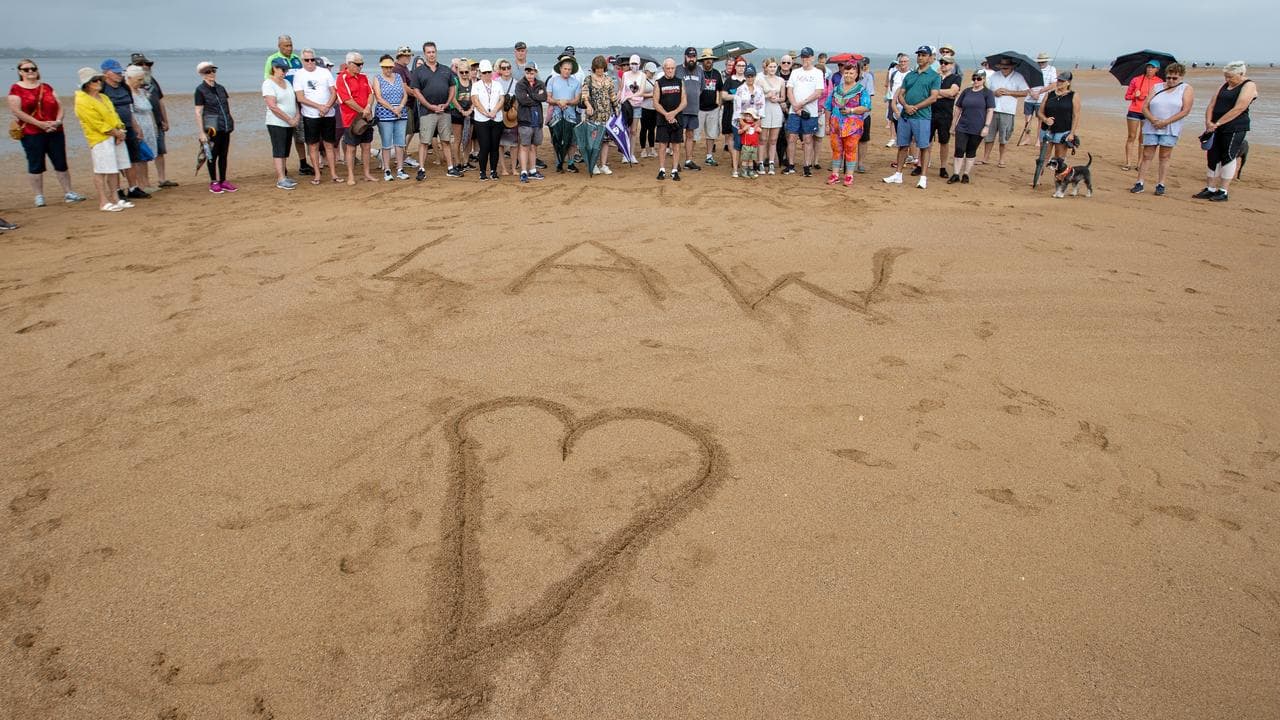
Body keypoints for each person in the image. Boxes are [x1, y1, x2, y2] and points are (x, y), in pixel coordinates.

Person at [8, 59, 86, 207]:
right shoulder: (16, 89)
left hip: (55, 130)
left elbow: (60, 106)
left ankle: (68, 192)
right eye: (26, 69)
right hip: (32, 132)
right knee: (35, 164)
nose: (30, 71)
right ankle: (39, 196)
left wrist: (58, 121)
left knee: (60, 162)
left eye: (33, 68)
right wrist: (40, 124)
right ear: (20, 72)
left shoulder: (46, 87)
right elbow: (17, 111)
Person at [1195, 61, 1257, 202]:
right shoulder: (1224, 85)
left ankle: (1223, 190)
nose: (1227, 79)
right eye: (1226, 76)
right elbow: (1212, 104)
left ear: (1241, 74)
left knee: (1228, 155)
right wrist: (1208, 122)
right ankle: (1210, 188)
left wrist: (1218, 123)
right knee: (1212, 155)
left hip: (1234, 126)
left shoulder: (1249, 85)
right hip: (1215, 126)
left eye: (1230, 77)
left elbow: (1239, 107)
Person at [73, 67, 133, 211]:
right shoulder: (82, 100)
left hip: (115, 136)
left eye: (100, 79)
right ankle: (103, 201)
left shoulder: (104, 97)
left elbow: (114, 115)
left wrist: (121, 130)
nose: (99, 82)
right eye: (95, 80)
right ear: (87, 84)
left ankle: (115, 198)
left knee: (114, 168)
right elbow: (96, 123)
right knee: (101, 170)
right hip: (100, 139)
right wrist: (116, 133)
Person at [883, 46, 940, 189]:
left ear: (930, 58)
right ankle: (898, 174)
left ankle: (923, 177)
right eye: (919, 55)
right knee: (902, 145)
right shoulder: (910, 75)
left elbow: (933, 97)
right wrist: (906, 106)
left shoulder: (934, 76)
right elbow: (901, 93)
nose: (920, 57)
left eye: (924, 55)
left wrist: (915, 107)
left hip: (922, 116)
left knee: (923, 146)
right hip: (906, 115)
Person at [1134, 63, 1193, 196]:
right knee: (1147, 154)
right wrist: (1153, 120)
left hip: (1170, 127)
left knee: (1165, 156)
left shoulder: (1186, 88)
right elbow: (1145, 107)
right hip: (1152, 125)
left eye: (1174, 78)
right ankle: (1139, 182)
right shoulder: (1157, 87)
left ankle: (1161, 184)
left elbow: (1185, 110)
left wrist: (1166, 122)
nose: (1171, 80)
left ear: (1181, 77)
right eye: (1168, 77)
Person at [409, 42, 459, 180]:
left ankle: (450, 168)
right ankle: (421, 169)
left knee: (446, 140)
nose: (431, 54)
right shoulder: (418, 71)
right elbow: (416, 91)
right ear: (425, 54)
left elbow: (452, 87)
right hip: (427, 112)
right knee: (424, 141)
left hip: (444, 111)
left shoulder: (445, 70)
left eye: (433, 52)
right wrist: (430, 106)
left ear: (436, 52)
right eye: (428, 52)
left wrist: (447, 103)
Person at [100, 59, 148, 200]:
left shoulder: (124, 87)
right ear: (106, 73)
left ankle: (133, 188)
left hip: (128, 127)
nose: (119, 75)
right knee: (115, 161)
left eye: (119, 72)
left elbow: (129, 109)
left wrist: (136, 126)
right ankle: (117, 190)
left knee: (133, 158)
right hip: (113, 130)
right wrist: (113, 131)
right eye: (115, 72)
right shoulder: (102, 88)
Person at [294, 48, 342, 184]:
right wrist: (319, 107)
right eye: (307, 60)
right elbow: (300, 97)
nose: (310, 62)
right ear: (302, 60)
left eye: (312, 59)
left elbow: (334, 92)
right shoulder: (299, 75)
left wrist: (327, 106)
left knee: (329, 145)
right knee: (313, 145)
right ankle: (317, 175)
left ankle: (334, 174)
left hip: (328, 114)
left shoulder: (324, 72)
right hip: (310, 115)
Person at [264, 35, 309, 175]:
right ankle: (282, 169)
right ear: (279, 46)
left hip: (297, 102)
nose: (289, 48)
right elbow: (268, 78)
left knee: (300, 137)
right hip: (281, 101)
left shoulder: (296, 59)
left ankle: (303, 164)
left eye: (290, 45)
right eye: (286, 46)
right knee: (282, 139)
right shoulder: (272, 59)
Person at [131, 52, 176, 188]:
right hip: (141, 124)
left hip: (157, 122)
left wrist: (165, 119)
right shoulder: (131, 83)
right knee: (142, 154)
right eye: (140, 64)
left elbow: (160, 101)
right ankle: (144, 184)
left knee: (160, 151)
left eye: (147, 64)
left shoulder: (152, 80)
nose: (145, 66)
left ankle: (162, 179)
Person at [824, 61, 871, 187]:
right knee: (836, 149)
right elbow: (828, 106)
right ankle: (835, 174)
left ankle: (849, 175)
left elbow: (866, 107)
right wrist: (827, 124)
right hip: (835, 125)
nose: (848, 75)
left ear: (856, 74)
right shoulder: (836, 89)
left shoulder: (861, 90)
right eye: (846, 73)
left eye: (851, 73)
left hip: (853, 126)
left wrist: (851, 110)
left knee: (850, 149)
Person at [194, 61, 236, 193]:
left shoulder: (221, 88)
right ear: (202, 74)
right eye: (208, 72)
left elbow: (226, 106)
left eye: (213, 71)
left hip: (225, 126)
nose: (211, 73)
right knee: (212, 155)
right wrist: (201, 132)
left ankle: (223, 180)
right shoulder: (200, 90)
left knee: (223, 155)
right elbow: (198, 111)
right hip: (211, 127)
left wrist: (230, 121)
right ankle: (214, 181)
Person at [947, 68, 994, 184]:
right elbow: (958, 108)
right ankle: (956, 173)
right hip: (963, 125)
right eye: (974, 78)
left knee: (971, 150)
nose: (976, 81)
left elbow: (990, 110)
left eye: (979, 78)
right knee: (959, 149)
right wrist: (953, 124)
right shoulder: (966, 91)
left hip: (978, 127)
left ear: (984, 79)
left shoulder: (987, 93)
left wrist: (986, 126)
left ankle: (966, 173)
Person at [335, 52, 376, 184]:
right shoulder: (342, 78)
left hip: (365, 117)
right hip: (351, 119)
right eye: (357, 64)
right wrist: (362, 110)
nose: (360, 66)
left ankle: (367, 173)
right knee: (351, 147)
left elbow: (371, 93)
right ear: (349, 64)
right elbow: (347, 99)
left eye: (361, 64)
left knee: (366, 146)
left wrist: (368, 107)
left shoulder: (364, 77)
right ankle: (351, 176)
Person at [980, 58, 1028, 167]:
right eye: (1002, 67)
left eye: (1006, 67)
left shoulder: (1018, 77)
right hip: (993, 109)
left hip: (1008, 110)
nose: (1004, 69)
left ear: (1011, 67)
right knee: (989, 136)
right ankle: (985, 158)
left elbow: (1025, 92)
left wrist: (1009, 92)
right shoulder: (994, 75)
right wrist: (994, 93)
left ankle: (1001, 159)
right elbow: (985, 90)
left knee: (1004, 137)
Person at [785, 47, 825, 176]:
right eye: (803, 57)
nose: (805, 59)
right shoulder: (795, 72)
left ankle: (807, 166)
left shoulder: (817, 73)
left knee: (808, 139)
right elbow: (789, 90)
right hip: (794, 111)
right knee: (792, 137)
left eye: (807, 57)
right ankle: (790, 165)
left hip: (810, 111)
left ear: (812, 58)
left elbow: (818, 92)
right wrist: (795, 105)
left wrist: (802, 103)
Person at [263, 57, 300, 190]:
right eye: (282, 69)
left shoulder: (287, 82)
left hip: (290, 122)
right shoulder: (268, 83)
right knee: (278, 150)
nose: (284, 72)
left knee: (285, 150)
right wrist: (288, 119)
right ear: (274, 68)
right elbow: (272, 106)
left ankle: (284, 176)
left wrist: (297, 115)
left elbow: (294, 101)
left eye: (286, 69)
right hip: (276, 122)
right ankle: (280, 178)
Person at [371, 54, 410, 181]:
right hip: (385, 115)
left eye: (390, 67)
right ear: (381, 67)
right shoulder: (377, 78)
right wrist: (393, 109)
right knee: (386, 143)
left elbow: (405, 95)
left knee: (400, 143)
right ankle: (387, 169)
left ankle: (400, 168)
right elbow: (379, 97)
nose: (388, 69)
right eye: (385, 67)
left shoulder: (398, 76)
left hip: (401, 113)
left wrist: (400, 107)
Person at [582, 55, 620, 174]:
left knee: (605, 141)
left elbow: (612, 95)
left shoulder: (608, 79)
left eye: (602, 68)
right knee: (593, 141)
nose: (600, 70)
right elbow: (584, 95)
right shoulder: (588, 80)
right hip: (593, 115)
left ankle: (603, 165)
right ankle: (593, 164)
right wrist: (588, 105)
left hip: (606, 115)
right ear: (594, 68)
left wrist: (616, 108)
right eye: (598, 68)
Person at [123, 65, 158, 193]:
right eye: (138, 79)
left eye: (142, 79)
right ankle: (140, 184)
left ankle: (146, 182)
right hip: (137, 125)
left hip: (147, 125)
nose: (141, 82)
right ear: (130, 78)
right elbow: (130, 112)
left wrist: (154, 125)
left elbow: (149, 110)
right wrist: (136, 128)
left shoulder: (142, 91)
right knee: (137, 157)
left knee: (145, 156)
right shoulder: (127, 92)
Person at [547, 54, 583, 172]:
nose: (567, 71)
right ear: (560, 69)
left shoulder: (576, 82)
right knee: (556, 140)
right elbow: (548, 98)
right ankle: (559, 163)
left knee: (571, 141)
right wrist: (558, 102)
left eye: (569, 69)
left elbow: (577, 100)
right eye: (565, 69)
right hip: (555, 116)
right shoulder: (552, 80)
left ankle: (571, 163)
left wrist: (566, 102)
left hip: (571, 116)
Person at [928, 56, 962, 179]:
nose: (943, 64)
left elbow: (952, 92)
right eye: (941, 62)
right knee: (927, 140)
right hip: (930, 112)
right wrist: (945, 94)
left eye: (946, 63)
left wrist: (936, 92)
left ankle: (943, 167)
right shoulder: (934, 77)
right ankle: (922, 164)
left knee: (944, 141)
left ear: (952, 65)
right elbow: (927, 91)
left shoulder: (956, 78)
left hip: (945, 114)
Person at [1124, 60, 1162, 170]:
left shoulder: (1160, 82)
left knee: (1142, 139)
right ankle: (1128, 163)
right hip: (1134, 111)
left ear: (1157, 69)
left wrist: (1151, 98)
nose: (1149, 69)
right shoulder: (1136, 79)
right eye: (1148, 67)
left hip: (1149, 112)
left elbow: (1161, 98)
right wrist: (1134, 95)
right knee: (1131, 136)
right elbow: (1127, 96)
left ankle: (1139, 164)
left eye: (1152, 67)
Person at [470, 59, 504, 181]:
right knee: (484, 146)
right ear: (480, 73)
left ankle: (493, 171)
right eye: (484, 72)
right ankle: (482, 171)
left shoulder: (497, 84)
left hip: (496, 119)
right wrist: (486, 113)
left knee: (495, 146)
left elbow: (501, 99)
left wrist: (494, 111)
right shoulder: (476, 85)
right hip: (481, 120)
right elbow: (475, 101)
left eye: (489, 72)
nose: (487, 74)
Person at [654, 58, 687, 181]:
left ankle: (674, 170)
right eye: (668, 68)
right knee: (662, 145)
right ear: (664, 69)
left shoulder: (680, 82)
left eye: (672, 68)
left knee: (676, 145)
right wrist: (666, 114)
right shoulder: (659, 83)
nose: (670, 70)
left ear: (675, 69)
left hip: (677, 119)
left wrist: (674, 113)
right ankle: (662, 169)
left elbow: (684, 101)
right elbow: (655, 102)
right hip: (662, 119)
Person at [729, 63, 764, 178]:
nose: (750, 78)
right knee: (738, 144)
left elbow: (761, 108)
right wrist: (743, 124)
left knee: (751, 145)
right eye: (748, 76)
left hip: (754, 123)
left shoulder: (759, 90)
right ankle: (735, 169)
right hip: (740, 122)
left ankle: (749, 169)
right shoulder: (740, 90)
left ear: (755, 76)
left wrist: (757, 123)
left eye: (752, 76)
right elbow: (737, 109)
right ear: (745, 76)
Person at [1038, 71, 1081, 162]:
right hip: (1047, 129)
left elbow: (1076, 116)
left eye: (1062, 81)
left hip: (1063, 131)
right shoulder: (1049, 94)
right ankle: (1040, 171)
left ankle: (1056, 172)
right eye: (1058, 80)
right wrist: (1045, 119)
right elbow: (1040, 112)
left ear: (1068, 82)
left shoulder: (1073, 96)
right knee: (1043, 157)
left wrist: (1072, 133)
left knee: (1059, 159)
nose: (1059, 82)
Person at [514, 62, 547, 182]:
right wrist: (536, 96)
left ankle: (532, 170)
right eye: (527, 72)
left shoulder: (540, 83)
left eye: (532, 72)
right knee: (524, 146)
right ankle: (523, 171)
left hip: (537, 121)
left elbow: (544, 97)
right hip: (525, 120)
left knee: (534, 146)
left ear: (535, 72)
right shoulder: (520, 84)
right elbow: (523, 100)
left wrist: (530, 95)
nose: (529, 75)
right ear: (525, 72)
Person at [691, 48, 723, 167]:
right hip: (698, 109)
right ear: (702, 61)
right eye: (706, 59)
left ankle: (709, 157)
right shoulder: (697, 72)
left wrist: (720, 104)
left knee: (711, 134)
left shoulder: (717, 73)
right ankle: (690, 158)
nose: (708, 61)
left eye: (710, 59)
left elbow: (720, 90)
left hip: (713, 109)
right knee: (694, 134)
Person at [675, 47, 704, 171]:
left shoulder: (699, 70)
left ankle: (688, 160)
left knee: (690, 134)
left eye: (693, 57)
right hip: (680, 109)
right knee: (677, 136)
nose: (691, 59)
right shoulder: (677, 69)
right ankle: (676, 162)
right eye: (689, 56)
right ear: (685, 57)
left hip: (693, 109)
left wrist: (693, 97)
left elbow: (701, 88)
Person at [1019, 52, 1057, 147]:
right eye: (1040, 62)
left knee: (1040, 120)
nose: (1041, 63)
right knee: (1027, 120)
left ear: (1047, 61)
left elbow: (1053, 84)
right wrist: (1031, 92)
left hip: (1042, 99)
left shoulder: (1052, 69)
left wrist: (1039, 92)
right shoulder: (1031, 68)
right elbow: (1026, 82)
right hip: (1029, 98)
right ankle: (1027, 138)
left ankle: (1038, 140)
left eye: (1043, 62)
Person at [392, 47, 420, 167]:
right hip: (403, 105)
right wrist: (418, 95)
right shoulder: (398, 68)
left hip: (408, 104)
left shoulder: (404, 68)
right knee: (402, 133)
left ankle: (401, 156)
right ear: (399, 56)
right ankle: (402, 158)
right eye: (405, 55)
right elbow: (404, 87)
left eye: (409, 55)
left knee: (405, 132)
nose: (408, 57)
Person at [758, 57, 785, 175]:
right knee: (763, 139)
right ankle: (760, 162)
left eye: (774, 66)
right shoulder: (760, 80)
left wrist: (777, 99)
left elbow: (783, 98)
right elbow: (757, 97)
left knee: (773, 139)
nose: (772, 69)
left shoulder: (781, 81)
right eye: (770, 67)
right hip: (764, 110)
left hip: (776, 110)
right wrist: (767, 96)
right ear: (766, 67)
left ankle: (771, 162)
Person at [447, 60, 475, 176]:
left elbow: (475, 98)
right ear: (458, 71)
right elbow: (453, 98)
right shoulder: (455, 82)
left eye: (466, 72)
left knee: (468, 138)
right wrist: (461, 111)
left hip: (470, 113)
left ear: (469, 71)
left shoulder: (472, 82)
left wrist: (470, 110)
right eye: (461, 72)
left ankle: (466, 161)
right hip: (457, 113)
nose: (464, 74)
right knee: (457, 139)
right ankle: (458, 163)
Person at [495, 59, 519, 177]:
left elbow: (518, 101)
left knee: (514, 144)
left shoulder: (516, 83)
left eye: (508, 67)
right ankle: (504, 168)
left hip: (512, 116)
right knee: (500, 144)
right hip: (499, 116)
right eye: (503, 68)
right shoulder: (496, 82)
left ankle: (514, 168)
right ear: (499, 70)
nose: (506, 70)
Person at [621, 55, 647, 157]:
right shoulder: (625, 74)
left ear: (639, 64)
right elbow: (622, 89)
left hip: (637, 105)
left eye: (636, 63)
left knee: (633, 130)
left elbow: (641, 92)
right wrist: (618, 100)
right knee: (626, 129)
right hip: (626, 106)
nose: (634, 65)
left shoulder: (643, 75)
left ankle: (631, 154)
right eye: (632, 63)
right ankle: (625, 154)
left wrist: (630, 97)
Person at [721, 56, 747, 160]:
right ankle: (734, 159)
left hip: (745, 113)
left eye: (743, 66)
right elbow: (724, 95)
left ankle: (743, 159)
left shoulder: (747, 80)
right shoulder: (729, 80)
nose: (741, 68)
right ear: (735, 67)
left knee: (744, 135)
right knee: (731, 136)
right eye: (739, 65)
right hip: (730, 111)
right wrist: (736, 97)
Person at [883, 53, 910, 147]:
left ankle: (905, 141)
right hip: (894, 101)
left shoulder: (911, 74)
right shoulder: (894, 73)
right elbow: (891, 85)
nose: (903, 63)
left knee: (906, 123)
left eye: (905, 61)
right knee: (892, 120)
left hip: (906, 102)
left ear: (908, 62)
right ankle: (893, 138)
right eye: (901, 61)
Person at [855, 55, 875, 172]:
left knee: (863, 139)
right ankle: (844, 162)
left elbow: (869, 95)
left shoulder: (868, 77)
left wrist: (864, 109)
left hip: (863, 114)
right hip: (848, 114)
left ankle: (860, 163)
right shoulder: (846, 77)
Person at [638, 62, 658, 158]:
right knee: (644, 129)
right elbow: (639, 95)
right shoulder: (642, 80)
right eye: (651, 72)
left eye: (654, 72)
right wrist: (651, 95)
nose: (653, 74)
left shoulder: (655, 79)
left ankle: (652, 148)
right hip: (644, 108)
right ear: (646, 71)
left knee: (652, 129)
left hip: (654, 108)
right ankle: (643, 149)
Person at [737, 108, 761, 178]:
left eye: (750, 116)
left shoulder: (755, 125)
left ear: (753, 118)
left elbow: (760, 130)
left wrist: (758, 129)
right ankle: (744, 172)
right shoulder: (744, 125)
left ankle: (750, 172)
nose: (747, 118)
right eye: (746, 116)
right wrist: (743, 129)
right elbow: (739, 132)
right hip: (746, 145)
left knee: (751, 160)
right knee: (745, 160)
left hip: (754, 146)